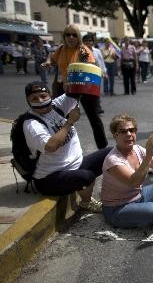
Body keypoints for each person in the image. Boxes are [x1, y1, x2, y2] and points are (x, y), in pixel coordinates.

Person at [22, 81, 110, 212]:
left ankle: (119, 193)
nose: (40, 101)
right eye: (34, 98)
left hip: (74, 165)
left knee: (111, 153)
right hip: (49, 178)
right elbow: (51, 146)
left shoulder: (56, 106)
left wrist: (72, 79)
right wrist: (69, 122)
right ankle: (86, 203)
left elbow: (77, 90)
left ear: (50, 95)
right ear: (28, 100)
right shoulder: (32, 124)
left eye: (43, 96)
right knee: (87, 176)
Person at [101, 114, 153, 230]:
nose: (128, 134)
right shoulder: (113, 160)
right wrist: (148, 156)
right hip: (117, 208)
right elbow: (135, 182)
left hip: (138, 196)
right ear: (115, 136)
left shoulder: (137, 149)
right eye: (123, 131)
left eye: (131, 130)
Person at [41, 24, 108, 149]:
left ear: (78, 37)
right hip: (66, 89)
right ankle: (65, 147)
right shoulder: (61, 49)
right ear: (64, 36)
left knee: (94, 118)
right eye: (68, 34)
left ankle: (103, 149)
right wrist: (49, 62)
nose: (71, 37)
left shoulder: (83, 51)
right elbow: (53, 58)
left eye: (74, 35)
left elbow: (89, 69)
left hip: (84, 89)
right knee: (62, 119)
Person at [82, 34, 108, 114]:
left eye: (90, 41)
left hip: (96, 73)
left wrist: (104, 72)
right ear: (83, 42)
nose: (88, 42)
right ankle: (89, 108)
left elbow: (101, 62)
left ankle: (97, 108)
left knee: (96, 91)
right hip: (85, 74)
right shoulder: (80, 51)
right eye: (86, 41)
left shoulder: (97, 51)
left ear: (93, 42)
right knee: (86, 92)